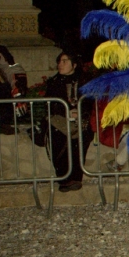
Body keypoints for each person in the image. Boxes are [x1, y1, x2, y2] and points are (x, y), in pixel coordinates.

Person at [43, 51, 94, 192]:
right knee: (58, 140)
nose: (60, 64)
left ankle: (76, 178)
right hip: (60, 121)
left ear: (74, 64)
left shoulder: (85, 80)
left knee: (80, 141)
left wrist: (81, 111)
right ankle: (64, 179)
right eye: (59, 61)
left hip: (81, 121)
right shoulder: (54, 82)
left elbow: (91, 101)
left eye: (65, 61)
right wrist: (65, 111)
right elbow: (50, 104)